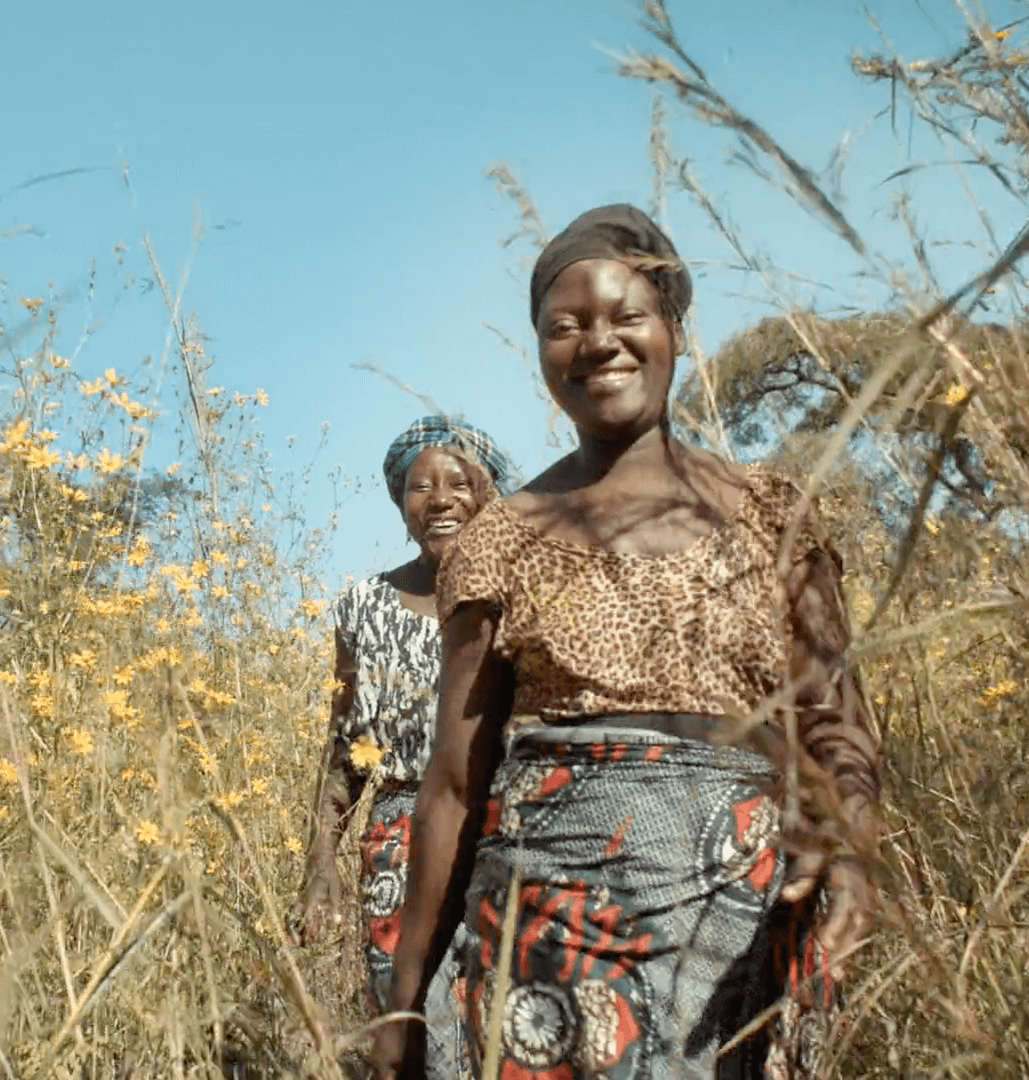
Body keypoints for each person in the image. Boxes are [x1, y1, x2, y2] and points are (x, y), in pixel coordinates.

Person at [372, 205, 881, 1079]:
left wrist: (854, 849)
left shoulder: (774, 514)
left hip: (741, 941)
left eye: (626, 316)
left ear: (675, 329)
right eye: (563, 327)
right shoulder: (504, 539)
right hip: (543, 958)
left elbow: (838, 722)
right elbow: (453, 788)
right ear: (540, 355)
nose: (596, 343)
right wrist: (405, 1004)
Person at [299, 416, 523, 1016]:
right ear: (401, 502)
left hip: (507, 834)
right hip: (401, 843)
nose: (441, 499)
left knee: (505, 1022)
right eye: (421, 486)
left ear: (488, 496)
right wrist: (321, 864)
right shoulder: (363, 607)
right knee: (407, 1018)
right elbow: (344, 748)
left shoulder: (520, 595)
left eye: (459, 483)